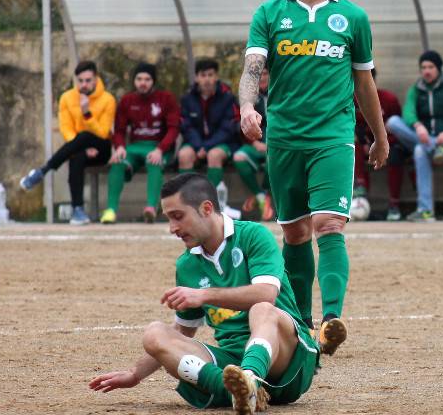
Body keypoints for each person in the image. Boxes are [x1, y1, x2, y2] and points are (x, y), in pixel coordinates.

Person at [238, 0, 389, 355]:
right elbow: (252, 69)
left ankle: (332, 319)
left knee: (329, 224)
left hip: (334, 136)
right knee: (296, 233)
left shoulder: (353, 18)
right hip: (284, 138)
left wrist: (378, 136)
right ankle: (303, 324)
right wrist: (248, 107)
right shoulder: (270, 13)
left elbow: (365, 84)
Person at [89, 173, 320, 412]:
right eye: (168, 219)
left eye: (178, 217)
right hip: (232, 364)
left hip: (288, 362)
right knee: (154, 334)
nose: (172, 228)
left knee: (262, 309)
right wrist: (135, 374)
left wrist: (204, 295)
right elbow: (183, 331)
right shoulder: (187, 265)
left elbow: (266, 294)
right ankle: (235, 390)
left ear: (207, 208)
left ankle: (250, 379)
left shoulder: (253, 235)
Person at [19, 60, 115, 225]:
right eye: (81, 81)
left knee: (85, 136)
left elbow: (103, 131)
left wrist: (86, 114)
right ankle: (78, 210)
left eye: (88, 80)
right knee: (77, 156)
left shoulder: (108, 99)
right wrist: (80, 146)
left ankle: (44, 170)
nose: (84, 84)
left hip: (102, 148)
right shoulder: (67, 98)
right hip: (78, 146)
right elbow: (66, 129)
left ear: (95, 79)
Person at [386, 51, 443, 222]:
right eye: (423, 67)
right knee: (394, 122)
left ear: (439, 69)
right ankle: (426, 211)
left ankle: (425, 210)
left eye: (431, 67)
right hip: (426, 140)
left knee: (420, 150)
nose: (426, 71)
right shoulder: (416, 90)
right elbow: (408, 112)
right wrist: (418, 126)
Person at [101, 62, 180, 224]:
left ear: (153, 81)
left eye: (147, 79)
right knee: (117, 162)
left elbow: (173, 129)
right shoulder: (127, 100)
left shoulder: (166, 99)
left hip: (158, 147)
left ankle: (151, 208)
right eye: (139, 79)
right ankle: (110, 210)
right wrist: (120, 147)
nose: (143, 83)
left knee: (154, 161)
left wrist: (160, 149)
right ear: (134, 81)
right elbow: (119, 130)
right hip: (135, 147)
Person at [351, 68, 407, 221]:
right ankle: (359, 190)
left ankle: (394, 204)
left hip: (389, 144)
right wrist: (365, 142)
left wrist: (384, 144)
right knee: (353, 144)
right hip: (365, 147)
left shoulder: (389, 99)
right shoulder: (351, 100)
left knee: (396, 155)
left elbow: (398, 127)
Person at [178, 59, 240, 193]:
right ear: (196, 78)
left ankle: (212, 202)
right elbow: (186, 126)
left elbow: (228, 128)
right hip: (196, 143)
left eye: (210, 75)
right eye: (203, 75)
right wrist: (198, 145)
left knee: (214, 155)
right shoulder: (187, 98)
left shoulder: (227, 98)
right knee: (184, 155)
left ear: (216, 77)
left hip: (222, 144)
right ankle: (189, 201)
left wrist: (206, 146)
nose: (206, 79)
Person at [233, 66, 274, 220]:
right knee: (239, 157)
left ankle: (266, 194)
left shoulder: (281, 93)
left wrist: (271, 144)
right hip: (256, 145)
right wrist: (253, 142)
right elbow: (239, 124)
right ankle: (260, 196)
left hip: (278, 145)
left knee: (273, 157)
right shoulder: (248, 98)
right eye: (259, 74)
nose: (262, 77)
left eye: (265, 73)